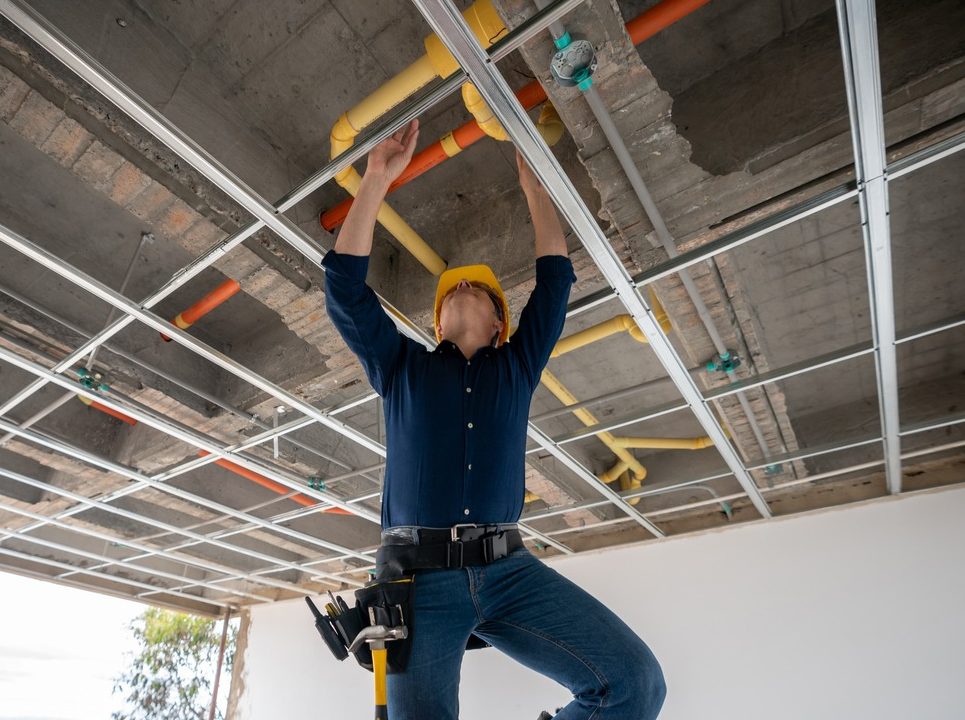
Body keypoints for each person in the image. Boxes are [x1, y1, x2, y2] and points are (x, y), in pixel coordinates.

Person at [322, 119, 666, 720]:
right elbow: (344, 290)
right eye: (451, 294)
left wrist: (538, 188)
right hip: (419, 582)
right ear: (435, 326)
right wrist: (374, 179)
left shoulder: (517, 367)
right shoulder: (401, 367)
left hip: (509, 571)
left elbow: (555, 284)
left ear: (499, 324)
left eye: (479, 292)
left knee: (635, 685)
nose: (461, 291)